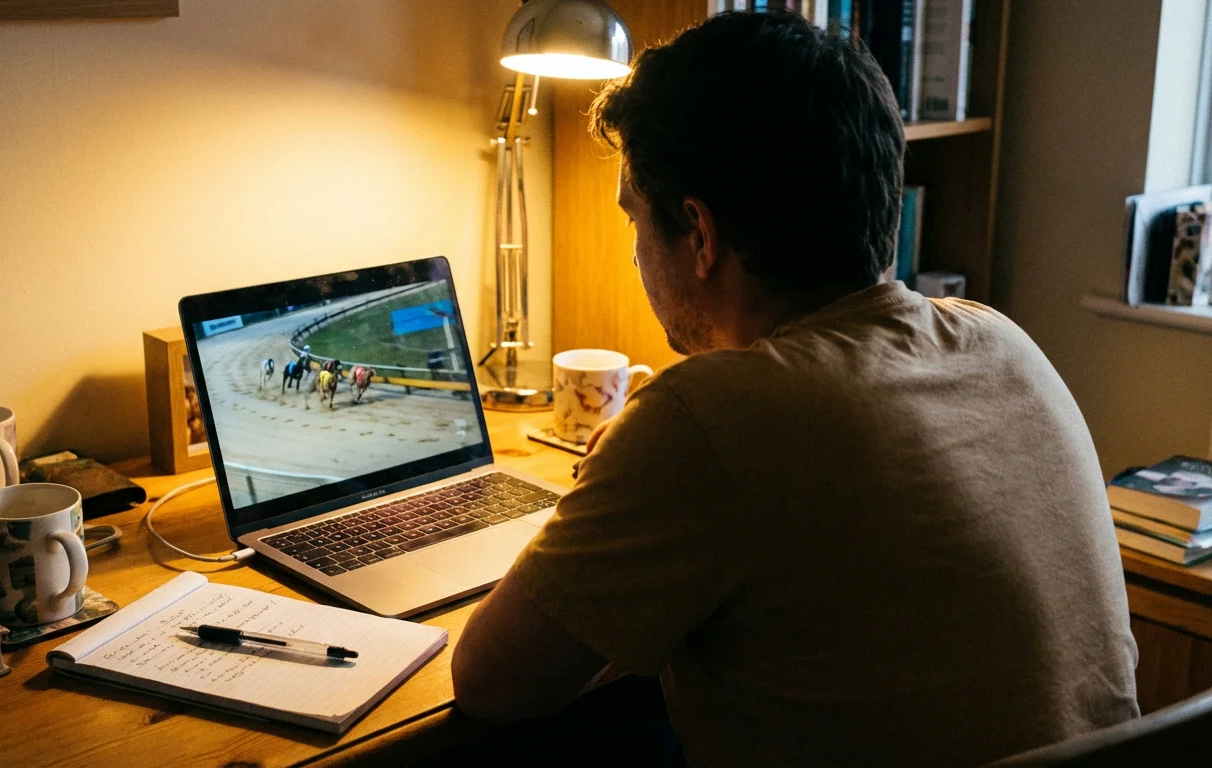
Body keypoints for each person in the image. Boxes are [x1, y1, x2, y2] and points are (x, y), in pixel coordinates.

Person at [451, 10, 1139, 767]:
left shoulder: (709, 420)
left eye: (635, 222)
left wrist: (640, 472)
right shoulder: (1003, 341)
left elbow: (491, 681)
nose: (638, 255)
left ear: (701, 236)